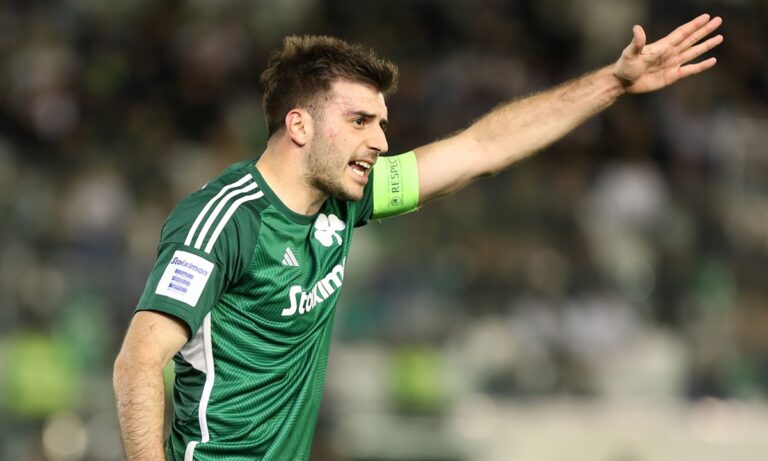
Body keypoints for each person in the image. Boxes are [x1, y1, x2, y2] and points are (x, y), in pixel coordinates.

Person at [113, 14, 723, 460]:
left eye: (381, 123)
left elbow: (481, 148)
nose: (380, 141)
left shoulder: (349, 196)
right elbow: (139, 362)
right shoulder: (223, 220)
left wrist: (613, 83)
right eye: (359, 121)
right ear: (299, 125)